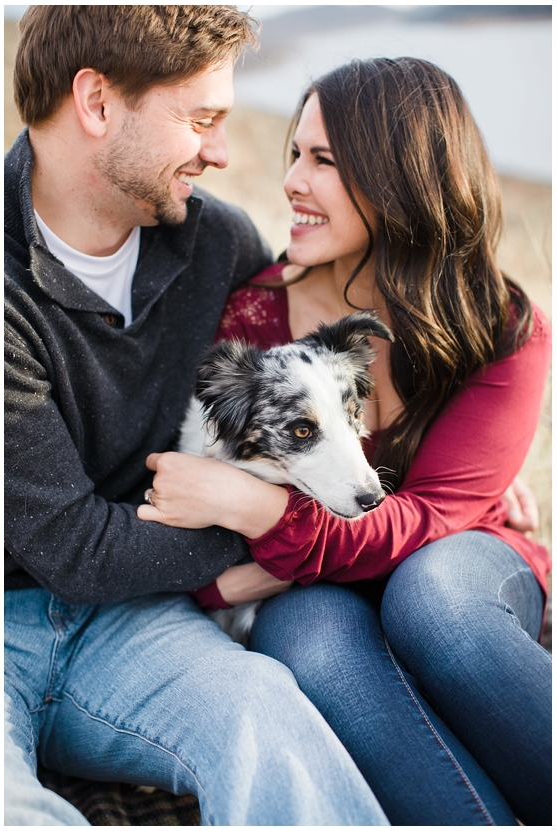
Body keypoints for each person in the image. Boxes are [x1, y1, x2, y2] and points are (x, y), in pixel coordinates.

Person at [3, 6, 388, 825]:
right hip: (12, 626)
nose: (220, 151)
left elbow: (313, 394)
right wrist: (260, 525)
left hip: (151, 626)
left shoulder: (221, 245)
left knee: (263, 710)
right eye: (202, 119)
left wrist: (451, 480)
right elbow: (73, 549)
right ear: (97, 103)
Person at [141, 58, 551, 825]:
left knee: (434, 600)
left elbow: (428, 524)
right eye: (296, 153)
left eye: (323, 160)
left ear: (401, 177)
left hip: (450, 570)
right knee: (308, 639)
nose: (292, 179)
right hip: (314, 593)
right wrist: (226, 576)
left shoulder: (501, 330)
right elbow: (182, 512)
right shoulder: (253, 324)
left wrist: (262, 512)